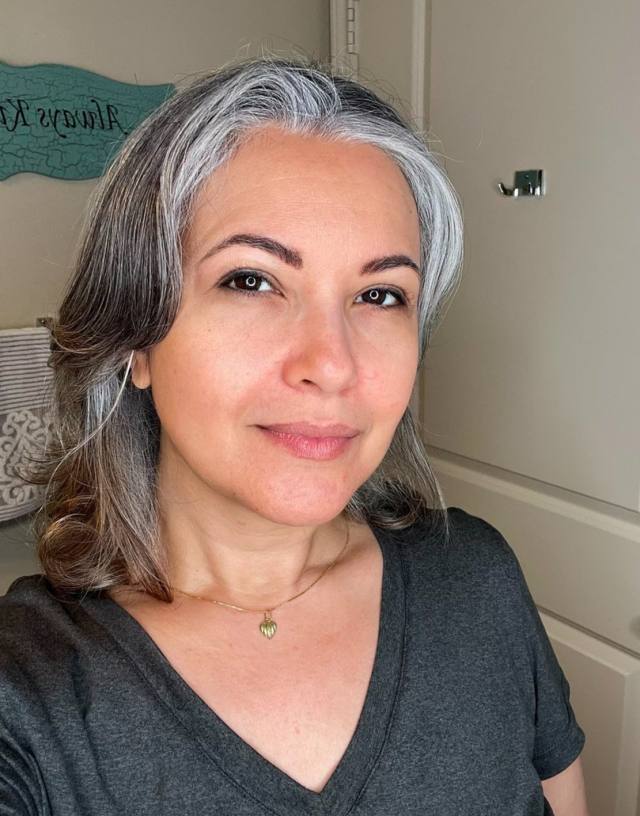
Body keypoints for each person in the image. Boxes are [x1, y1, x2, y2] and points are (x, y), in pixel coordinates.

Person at [0, 56, 588, 815]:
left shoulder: (476, 577)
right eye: (250, 280)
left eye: (381, 295)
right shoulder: (29, 697)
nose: (333, 364)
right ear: (135, 342)